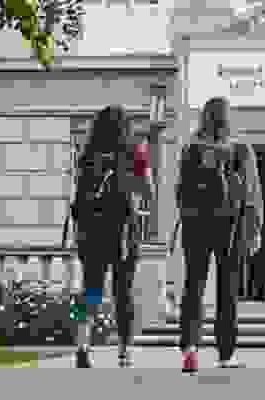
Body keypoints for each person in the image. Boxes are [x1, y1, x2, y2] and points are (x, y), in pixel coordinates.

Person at [176, 96, 262, 373]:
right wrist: (254, 230)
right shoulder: (240, 148)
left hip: (195, 226)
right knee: (228, 291)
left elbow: (179, 192)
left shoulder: (191, 148)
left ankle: (189, 348)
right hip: (231, 226)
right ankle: (225, 354)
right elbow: (251, 194)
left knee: (193, 287)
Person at [71, 104, 154, 368]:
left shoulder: (88, 154)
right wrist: (139, 204)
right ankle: (125, 352)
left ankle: (82, 347)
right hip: (124, 232)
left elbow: (79, 192)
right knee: (123, 293)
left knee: (91, 290)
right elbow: (149, 191)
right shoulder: (135, 151)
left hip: (92, 234)